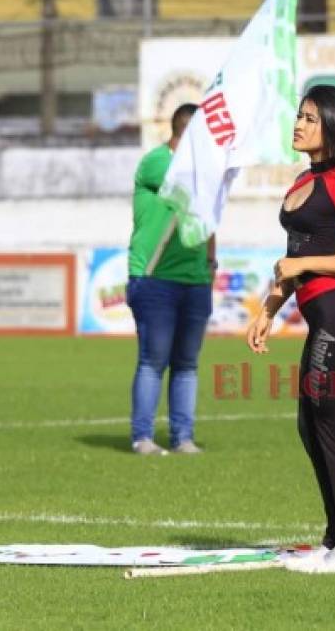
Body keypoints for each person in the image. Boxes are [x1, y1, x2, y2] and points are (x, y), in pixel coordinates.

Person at [246, 85, 335, 574]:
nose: (299, 124)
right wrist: (269, 308)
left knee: (333, 429)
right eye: (299, 115)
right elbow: (294, 260)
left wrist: (299, 262)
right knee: (311, 426)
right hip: (322, 318)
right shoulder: (303, 182)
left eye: (310, 118)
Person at [127, 103, 216, 456]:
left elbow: (209, 216)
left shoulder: (202, 169)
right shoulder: (158, 162)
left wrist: (210, 262)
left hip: (194, 279)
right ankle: (142, 437)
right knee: (153, 360)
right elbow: (188, 185)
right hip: (155, 278)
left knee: (187, 364)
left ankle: (183, 438)